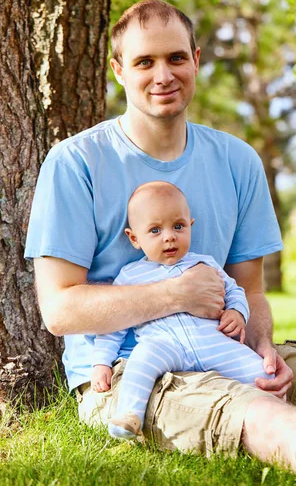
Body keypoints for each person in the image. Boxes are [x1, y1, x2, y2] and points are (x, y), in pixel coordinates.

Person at [25, 0, 296, 484]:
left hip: (231, 349)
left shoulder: (237, 160)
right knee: (271, 419)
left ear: (196, 61)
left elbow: (253, 289)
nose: (163, 75)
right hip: (129, 373)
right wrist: (177, 294)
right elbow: (60, 311)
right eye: (144, 62)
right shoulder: (76, 162)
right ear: (119, 70)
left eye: (176, 58)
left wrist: (264, 345)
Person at [91, 180, 274, 440]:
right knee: (140, 361)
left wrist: (237, 312)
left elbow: (235, 291)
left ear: (190, 225)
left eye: (178, 226)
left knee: (262, 371)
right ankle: (130, 414)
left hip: (212, 339)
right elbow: (114, 325)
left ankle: (277, 407)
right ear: (134, 238)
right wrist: (101, 362)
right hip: (163, 344)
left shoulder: (204, 263)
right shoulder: (130, 276)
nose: (169, 236)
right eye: (155, 230)